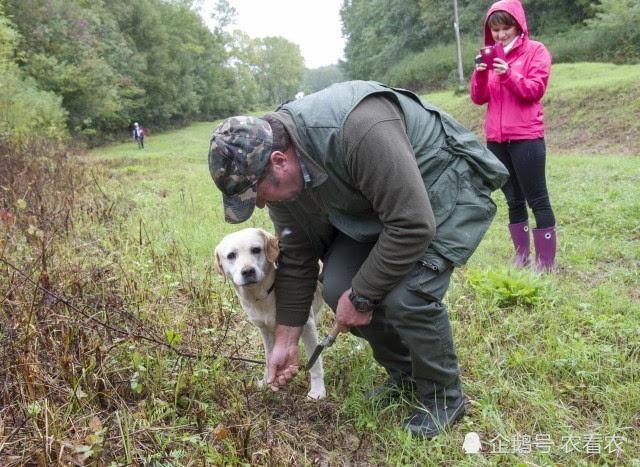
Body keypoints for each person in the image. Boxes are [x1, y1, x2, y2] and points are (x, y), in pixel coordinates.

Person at [207, 81, 508, 437]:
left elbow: (412, 224)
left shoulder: (359, 129)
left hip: (438, 185)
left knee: (405, 295)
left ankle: (444, 396)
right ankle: (406, 378)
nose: (259, 204)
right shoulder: (281, 175)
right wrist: (286, 341)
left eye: (257, 194)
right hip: (375, 207)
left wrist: (363, 295)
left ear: (279, 161)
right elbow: (299, 255)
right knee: (337, 286)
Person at [470, 0, 556, 272]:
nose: (501, 34)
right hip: (497, 141)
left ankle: (545, 264)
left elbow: (534, 90)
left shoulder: (536, 51)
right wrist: (481, 74)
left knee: (538, 199)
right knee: (513, 200)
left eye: (506, 28)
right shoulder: (490, 55)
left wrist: (508, 74)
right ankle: (522, 257)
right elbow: (478, 98)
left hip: (527, 138)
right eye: (495, 29)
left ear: (518, 26)